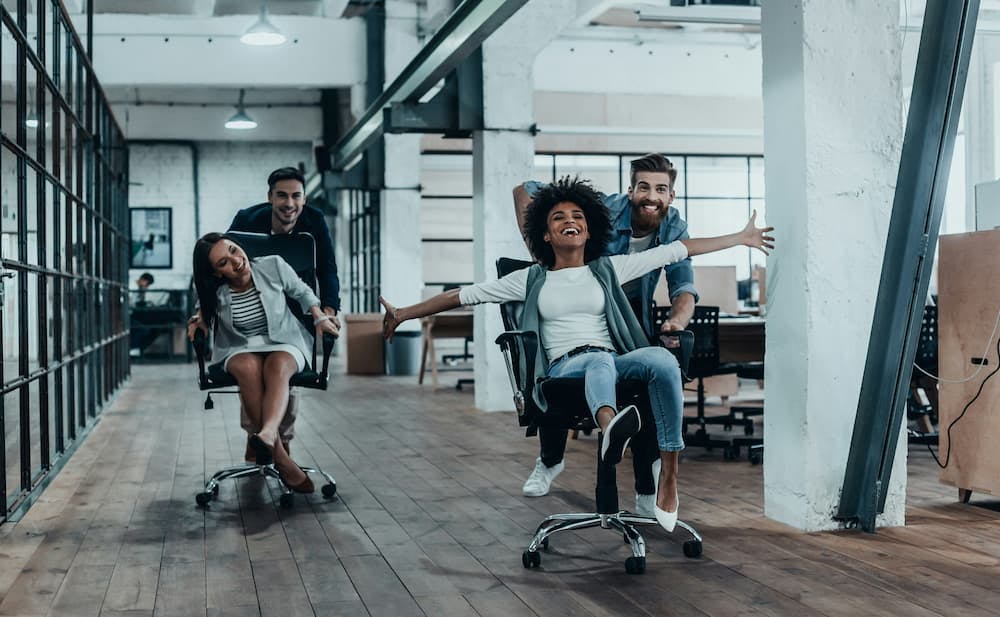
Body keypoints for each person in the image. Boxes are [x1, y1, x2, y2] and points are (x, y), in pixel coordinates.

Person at [380, 177, 773, 532]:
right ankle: (610, 428)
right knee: (598, 360)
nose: (570, 221)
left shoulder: (608, 268)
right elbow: (460, 296)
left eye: (578, 216)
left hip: (612, 360)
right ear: (546, 234)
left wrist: (739, 238)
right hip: (565, 367)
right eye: (558, 218)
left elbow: (677, 250)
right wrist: (402, 314)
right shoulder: (530, 278)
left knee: (661, 359)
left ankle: (668, 473)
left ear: (589, 229)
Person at [513, 154, 694, 515]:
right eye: (644, 187)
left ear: (671, 195)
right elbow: (524, 191)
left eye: (661, 189)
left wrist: (677, 321)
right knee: (566, 373)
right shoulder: (605, 210)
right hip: (578, 318)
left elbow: (684, 288)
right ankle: (550, 461)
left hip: (627, 322)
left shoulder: (673, 227)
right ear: (631, 191)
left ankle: (648, 486)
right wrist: (544, 253)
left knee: (646, 383)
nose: (651, 196)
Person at [190, 166, 343, 461]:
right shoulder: (247, 219)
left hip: (296, 304)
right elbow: (218, 266)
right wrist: (201, 314)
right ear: (270, 197)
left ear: (304, 197)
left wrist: (327, 311)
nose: (289, 203)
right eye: (282, 196)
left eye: (297, 196)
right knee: (250, 369)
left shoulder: (315, 221)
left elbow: (326, 268)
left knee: (283, 370)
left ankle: (278, 440)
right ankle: (262, 438)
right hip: (250, 304)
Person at [187, 233, 339, 493]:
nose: (235, 261)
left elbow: (303, 293)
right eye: (223, 262)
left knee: (278, 365)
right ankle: (281, 457)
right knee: (247, 367)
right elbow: (204, 304)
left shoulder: (273, 265)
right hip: (238, 346)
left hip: (283, 340)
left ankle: (268, 435)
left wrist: (319, 318)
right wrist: (198, 318)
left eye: (234, 250)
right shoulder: (216, 289)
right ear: (216, 273)